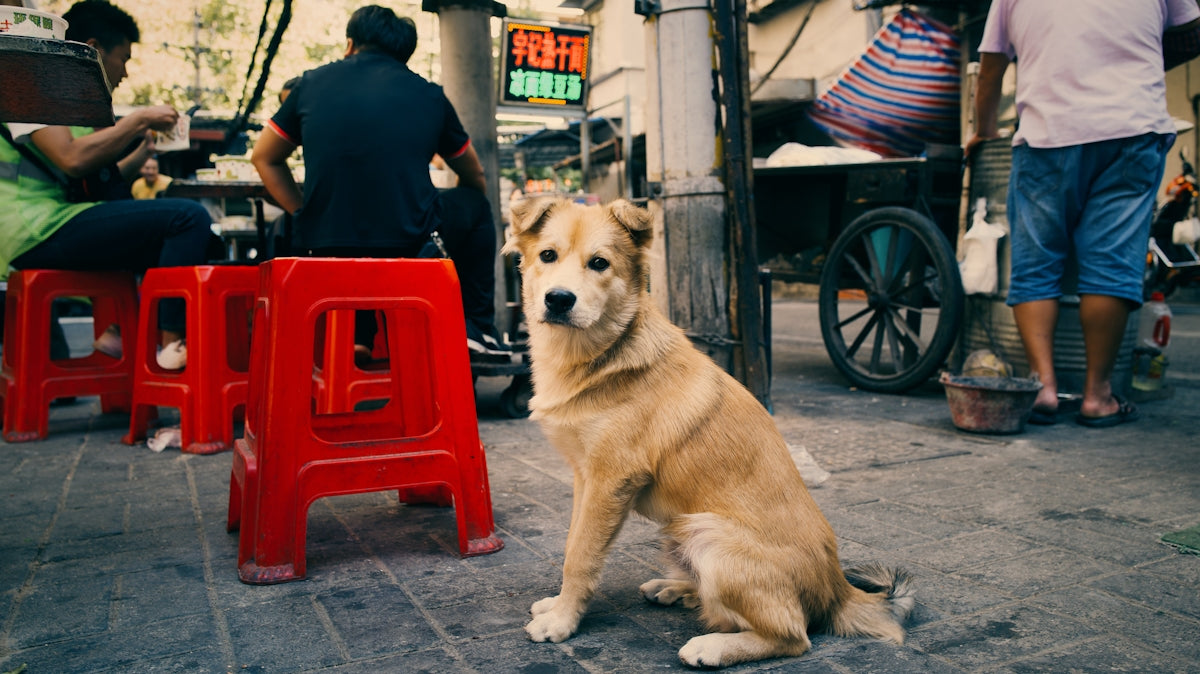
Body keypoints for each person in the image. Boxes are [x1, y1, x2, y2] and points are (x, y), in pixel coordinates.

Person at [967, 0, 1200, 428]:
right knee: (1110, 264)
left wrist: (984, 131)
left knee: (1036, 264)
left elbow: (990, 70)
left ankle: (1044, 387)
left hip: (1047, 135)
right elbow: (1190, 32)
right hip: (1131, 130)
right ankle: (1098, 396)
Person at [251, 4, 510, 359]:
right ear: (404, 55)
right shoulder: (429, 95)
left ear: (350, 43)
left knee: (351, 247)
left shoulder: (310, 83)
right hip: (408, 244)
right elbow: (474, 173)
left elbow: (264, 158)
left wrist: (304, 212)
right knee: (476, 208)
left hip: (323, 245)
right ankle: (478, 328)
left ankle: (358, 337)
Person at [0, 0, 218, 371]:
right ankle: (171, 348)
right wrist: (138, 121)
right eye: (125, 59)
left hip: (58, 219)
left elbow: (98, 179)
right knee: (187, 219)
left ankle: (124, 331)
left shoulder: (70, 100)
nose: (126, 73)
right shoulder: (32, 83)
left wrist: (143, 149)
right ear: (94, 49)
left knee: (204, 240)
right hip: (31, 228)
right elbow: (71, 159)